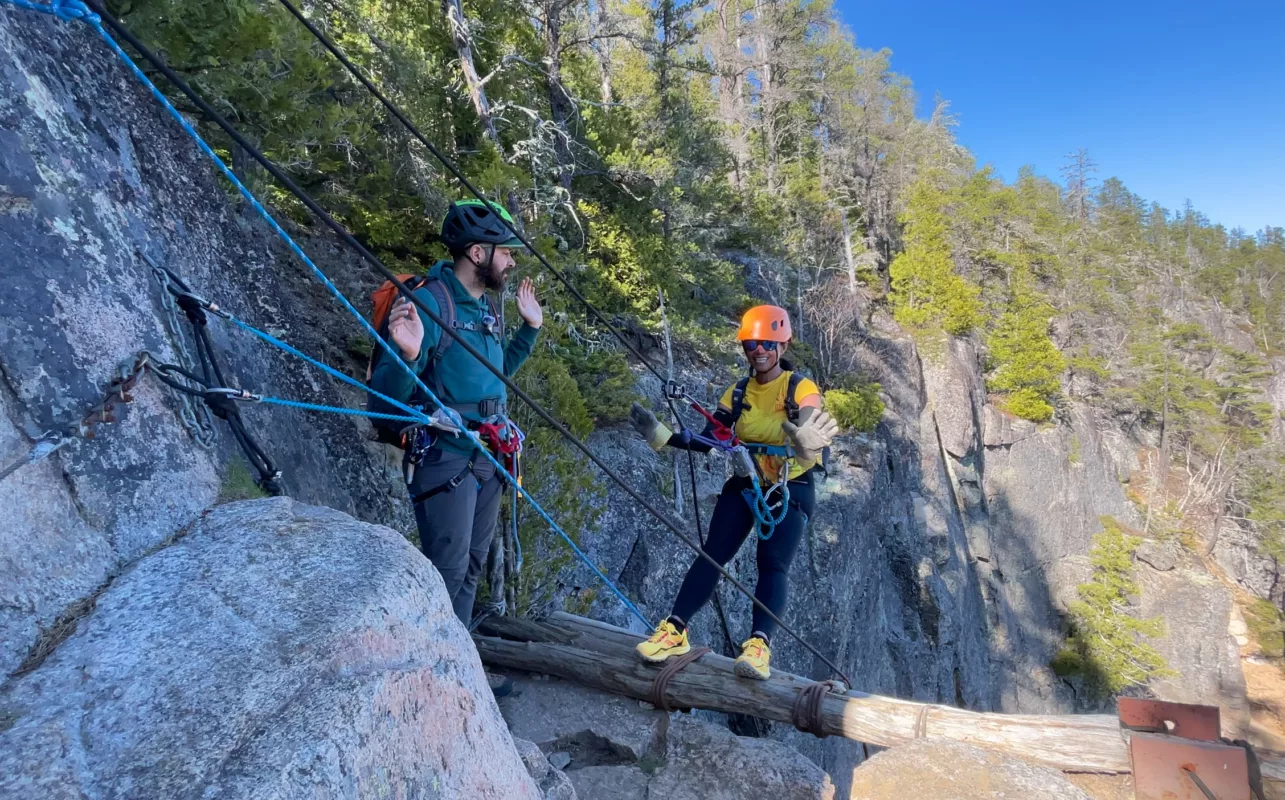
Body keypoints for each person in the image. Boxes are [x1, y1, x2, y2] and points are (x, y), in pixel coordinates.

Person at [628, 305, 838, 680]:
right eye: (750, 344)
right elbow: (711, 439)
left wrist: (806, 440)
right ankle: (675, 629)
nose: (757, 350)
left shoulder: (799, 387)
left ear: (782, 344)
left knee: (772, 565)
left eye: (765, 343)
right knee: (712, 553)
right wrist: (662, 435)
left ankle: (759, 646)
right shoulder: (738, 392)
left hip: (793, 485)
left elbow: (809, 422)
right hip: (747, 482)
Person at [369, 199, 542, 629]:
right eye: (504, 251)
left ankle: (462, 672)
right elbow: (384, 401)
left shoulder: (484, 309)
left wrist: (529, 331)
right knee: (445, 572)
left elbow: (493, 378)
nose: (511, 260)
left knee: (471, 568)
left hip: (488, 454)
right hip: (447, 457)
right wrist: (406, 356)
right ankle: (435, 677)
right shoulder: (430, 304)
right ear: (477, 253)